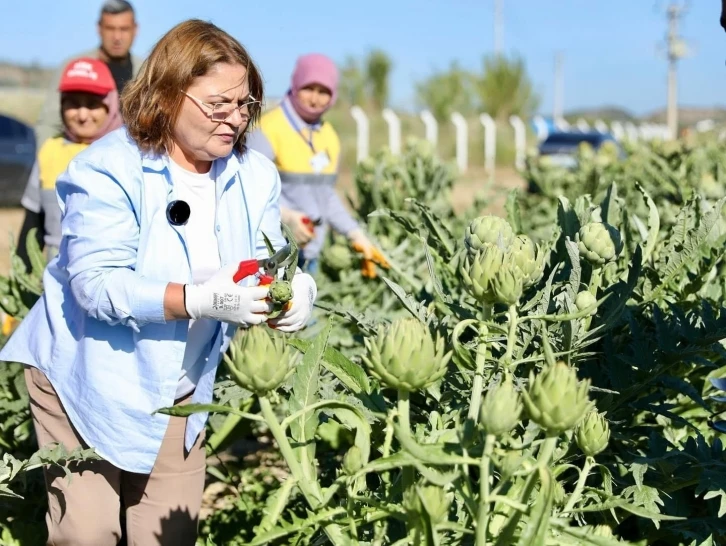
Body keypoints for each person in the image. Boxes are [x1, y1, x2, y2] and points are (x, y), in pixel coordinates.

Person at [0, 19, 316, 546]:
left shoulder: (255, 174)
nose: (235, 119)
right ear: (168, 93)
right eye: (220, 104)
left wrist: (293, 292)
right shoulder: (106, 168)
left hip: (179, 387)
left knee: (168, 537)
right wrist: (201, 299)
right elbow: (96, 286)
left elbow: (267, 261)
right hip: (86, 378)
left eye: (245, 105)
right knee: (88, 533)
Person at [247, 53, 389, 277]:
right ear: (295, 86)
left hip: (309, 255)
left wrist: (355, 234)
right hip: (269, 256)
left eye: (323, 92)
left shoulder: (328, 136)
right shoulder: (268, 129)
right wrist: (284, 217)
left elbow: (326, 197)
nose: (315, 99)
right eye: (308, 88)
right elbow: (247, 190)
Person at [16, 57, 123, 269]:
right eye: (73, 104)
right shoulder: (50, 150)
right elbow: (32, 225)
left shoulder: (127, 152)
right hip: (56, 284)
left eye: (93, 105)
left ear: (110, 105)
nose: (83, 115)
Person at [34, 0, 142, 145]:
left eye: (124, 29)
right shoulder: (75, 68)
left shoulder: (146, 72)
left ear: (135, 29)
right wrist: (47, 162)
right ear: (99, 29)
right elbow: (48, 124)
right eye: (110, 28)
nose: (117, 37)